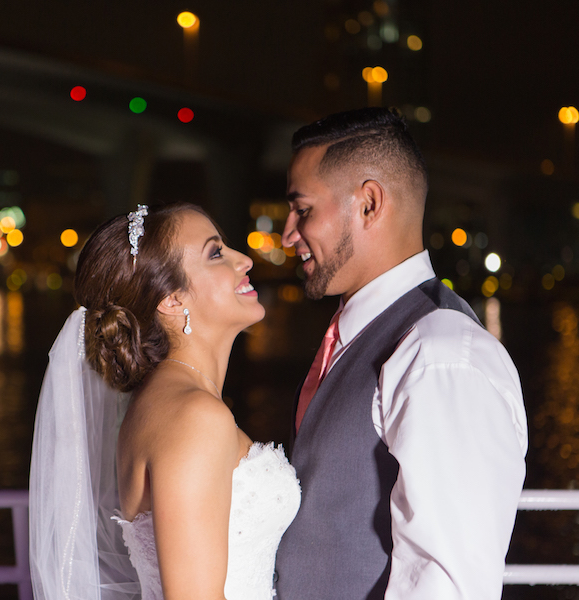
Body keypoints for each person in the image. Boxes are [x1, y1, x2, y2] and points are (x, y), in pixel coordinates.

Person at [274, 108, 528, 599]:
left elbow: (448, 583)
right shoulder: (362, 337)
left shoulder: (442, 355)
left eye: (302, 209)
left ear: (369, 203)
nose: (287, 234)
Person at [29, 203, 301, 600]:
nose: (245, 259)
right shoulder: (194, 416)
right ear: (171, 300)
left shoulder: (160, 403)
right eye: (216, 253)